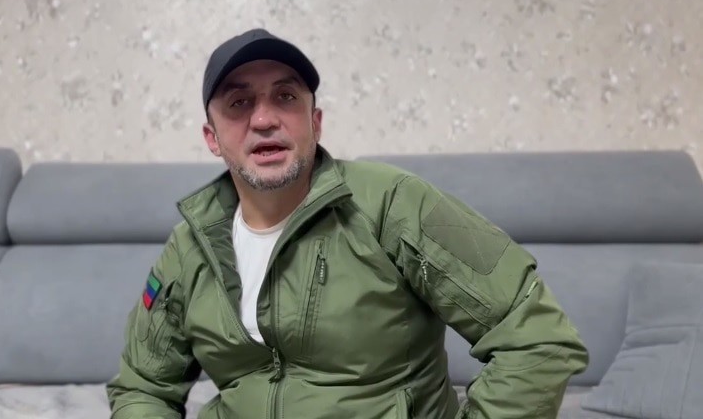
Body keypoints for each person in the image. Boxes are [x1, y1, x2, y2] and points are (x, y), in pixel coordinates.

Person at [106, 28, 589, 418]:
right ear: (212, 138)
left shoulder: (394, 203)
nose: (265, 119)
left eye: (285, 97)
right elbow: (143, 387)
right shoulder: (190, 247)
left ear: (315, 123)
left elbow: (535, 336)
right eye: (239, 103)